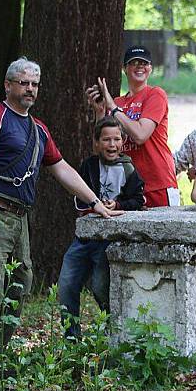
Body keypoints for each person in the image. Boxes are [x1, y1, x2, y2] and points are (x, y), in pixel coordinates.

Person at [0, 57, 121, 373]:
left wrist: (95, 203)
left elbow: (61, 169)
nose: (29, 89)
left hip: (20, 219)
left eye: (34, 84)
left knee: (19, 286)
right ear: (8, 85)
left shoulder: (38, 130)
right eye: (23, 83)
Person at [58, 117, 145, 339]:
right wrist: (93, 204)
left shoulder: (128, 168)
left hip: (109, 240)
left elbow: (138, 200)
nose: (112, 144)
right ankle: (71, 338)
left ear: (123, 142)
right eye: (106, 139)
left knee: (100, 287)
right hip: (85, 237)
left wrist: (118, 205)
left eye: (117, 139)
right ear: (96, 143)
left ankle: (112, 333)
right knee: (66, 285)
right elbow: (78, 196)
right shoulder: (88, 166)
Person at [85, 45, 179, 208]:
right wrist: (100, 112)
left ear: (150, 69)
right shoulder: (117, 103)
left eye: (144, 63)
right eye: (133, 63)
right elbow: (100, 148)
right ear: (124, 69)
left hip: (157, 184)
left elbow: (141, 135)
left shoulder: (155, 94)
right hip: (127, 187)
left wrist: (112, 108)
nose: (139, 66)